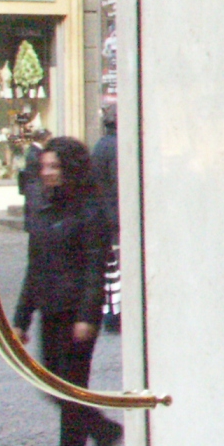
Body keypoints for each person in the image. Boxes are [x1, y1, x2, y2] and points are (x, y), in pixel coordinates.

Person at [14, 135, 121, 446]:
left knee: (70, 386)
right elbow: (34, 267)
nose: (46, 173)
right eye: (44, 166)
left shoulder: (90, 211)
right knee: (53, 383)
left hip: (75, 309)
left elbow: (95, 266)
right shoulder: (44, 209)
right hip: (51, 306)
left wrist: (88, 316)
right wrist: (21, 318)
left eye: (54, 167)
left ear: (70, 169)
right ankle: (103, 431)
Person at [90, 101, 122, 332]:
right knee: (119, 268)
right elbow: (118, 183)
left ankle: (110, 312)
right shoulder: (117, 147)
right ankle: (115, 315)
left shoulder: (101, 145)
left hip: (104, 215)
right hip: (116, 216)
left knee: (111, 269)